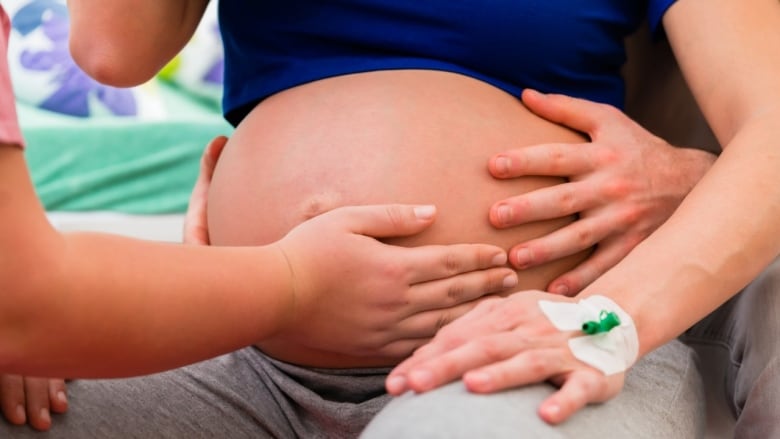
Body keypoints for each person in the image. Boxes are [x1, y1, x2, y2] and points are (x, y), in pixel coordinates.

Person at [6, 0, 778, 437]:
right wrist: (45, 306)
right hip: (241, 346)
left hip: (522, 345)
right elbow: (108, 50)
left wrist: (606, 327)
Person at [0, 3, 520, 432]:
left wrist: (600, 315)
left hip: (502, 343)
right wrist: (298, 283)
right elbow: (109, 53)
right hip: (239, 347)